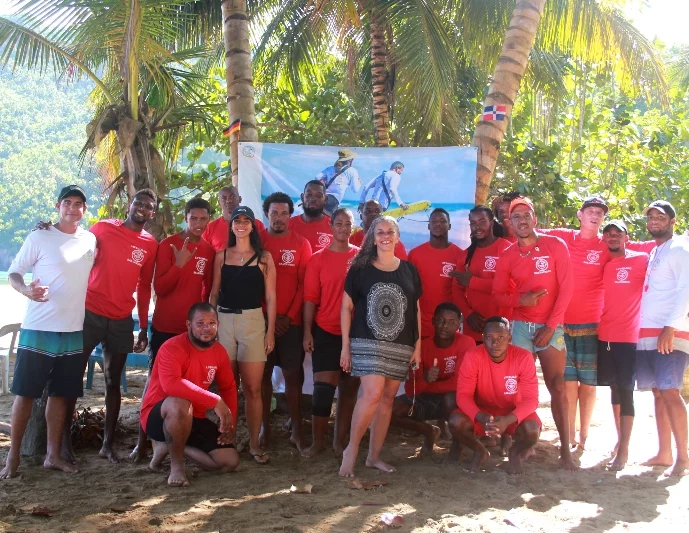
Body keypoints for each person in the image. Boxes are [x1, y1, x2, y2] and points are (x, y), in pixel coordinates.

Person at [1, 185, 96, 479]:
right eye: (67, 202)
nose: (72, 208)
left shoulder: (91, 239)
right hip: (38, 328)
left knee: (61, 396)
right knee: (25, 395)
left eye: (78, 203)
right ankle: (12, 457)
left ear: (84, 209)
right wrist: (27, 290)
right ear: (58, 206)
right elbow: (16, 272)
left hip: (72, 331)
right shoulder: (39, 235)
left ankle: (52, 456)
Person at [64, 189, 159, 464]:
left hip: (120, 320)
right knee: (74, 378)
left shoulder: (150, 244)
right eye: (138, 203)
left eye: (148, 206)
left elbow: (144, 287)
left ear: (152, 213)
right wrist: (49, 228)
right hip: (89, 313)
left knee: (112, 381)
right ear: (129, 205)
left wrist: (142, 327)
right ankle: (64, 444)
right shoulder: (103, 228)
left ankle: (107, 445)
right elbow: (74, 244)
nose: (142, 208)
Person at [492, 196, 576, 470]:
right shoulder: (507, 255)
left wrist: (551, 327)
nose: (522, 221)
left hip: (551, 327)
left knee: (558, 387)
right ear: (510, 223)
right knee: (516, 389)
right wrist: (521, 301)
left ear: (534, 219)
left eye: (526, 215)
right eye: (516, 217)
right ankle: (519, 444)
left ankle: (565, 450)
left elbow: (566, 288)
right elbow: (498, 295)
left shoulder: (555, 245)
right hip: (519, 328)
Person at [131, 198, 215, 461]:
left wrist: (205, 326)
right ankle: (142, 441)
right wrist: (179, 263)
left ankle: (177, 439)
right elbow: (161, 289)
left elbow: (208, 292)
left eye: (203, 219)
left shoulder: (209, 250)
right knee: (155, 384)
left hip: (191, 332)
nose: (198, 224)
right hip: (165, 327)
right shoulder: (167, 245)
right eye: (194, 218)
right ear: (185, 217)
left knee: (187, 383)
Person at [339, 215, 422, 477]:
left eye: (390, 231)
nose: (385, 236)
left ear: (398, 236)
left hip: (401, 344)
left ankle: (374, 457)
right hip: (367, 342)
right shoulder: (360, 269)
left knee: (387, 399)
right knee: (373, 394)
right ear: (372, 238)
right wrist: (345, 347)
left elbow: (416, 309)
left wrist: (417, 347)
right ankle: (351, 449)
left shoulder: (409, 270)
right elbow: (346, 307)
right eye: (379, 232)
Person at [140, 303, 239, 487]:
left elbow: (229, 388)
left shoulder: (219, 352)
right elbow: (171, 385)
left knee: (229, 461)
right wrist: (215, 401)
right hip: (160, 415)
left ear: (218, 325)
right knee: (179, 402)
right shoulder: (172, 347)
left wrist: (228, 423)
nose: (206, 328)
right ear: (188, 325)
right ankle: (177, 468)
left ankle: (170, 447)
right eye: (200, 323)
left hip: (194, 417)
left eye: (211, 323)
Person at [540, 196, 608, 450]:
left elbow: (638, 249)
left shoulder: (607, 245)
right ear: (580, 215)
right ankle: (567, 433)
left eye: (600, 213)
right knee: (567, 382)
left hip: (592, 325)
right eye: (590, 211)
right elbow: (531, 231)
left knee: (588, 385)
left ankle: (584, 435)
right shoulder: (562, 238)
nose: (595, 215)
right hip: (561, 324)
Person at [210, 206, 276, 464]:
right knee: (227, 386)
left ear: (253, 226)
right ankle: (228, 437)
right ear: (231, 225)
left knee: (252, 388)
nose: (241, 225)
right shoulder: (221, 256)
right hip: (224, 321)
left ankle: (254, 443)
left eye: (246, 220)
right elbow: (214, 293)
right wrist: (212, 326)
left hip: (253, 321)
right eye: (237, 220)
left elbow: (270, 297)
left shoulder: (264, 258)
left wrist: (270, 331)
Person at [301, 208, 360, 458]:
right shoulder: (318, 259)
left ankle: (340, 441)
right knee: (323, 390)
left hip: (356, 334)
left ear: (353, 227)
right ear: (331, 226)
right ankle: (318, 442)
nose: (343, 228)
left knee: (348, 391)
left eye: (348, 224)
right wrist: (307, 332)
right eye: (339, 223)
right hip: (326, 330)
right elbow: (310, 299)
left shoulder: (361, 258)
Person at [636, 200, 689, 477]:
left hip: (669, 333)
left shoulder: (680, 248)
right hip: (649, 333)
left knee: (670, 391)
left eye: (661, 216)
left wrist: (671, 327)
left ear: (672, 222)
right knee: (658, 392)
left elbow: (686, 288)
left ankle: (684, 457)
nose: (655, 220)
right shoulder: (657, 251)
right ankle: (664, 453)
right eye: (651, 216)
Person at [449, 317, 540, 475]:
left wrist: (508, 419)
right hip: (483, 411)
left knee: (532, 430)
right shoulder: (472, 356)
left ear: (509, 338)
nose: (495, 343)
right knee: (456, 423)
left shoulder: (523, 357)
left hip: (511, 412)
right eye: (489, 338)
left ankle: (514, 453)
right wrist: (481, 417)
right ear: (483, 338)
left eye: (501, 338)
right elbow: (463, 396)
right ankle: (480, 451)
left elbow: (531, 400)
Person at [259, 192, 313, 450]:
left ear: (290, 215)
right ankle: (263, 429)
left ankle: (296, 428)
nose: (278, 218)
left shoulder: (302, 244)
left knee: (293, 375)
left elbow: (304, 285)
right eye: (273, 213)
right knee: (263, 375)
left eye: (283, 213)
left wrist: (287, 317)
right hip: (260, 322)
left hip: (290, 323)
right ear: (266, 214)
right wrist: (269, 317)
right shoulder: (256, 242)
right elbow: (252, 286)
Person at [391, 303, 476, 454]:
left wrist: (428, 384)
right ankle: (429, 431)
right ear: (433, 321)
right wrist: (425, 378)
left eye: (452, 322)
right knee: (390, 410)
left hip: (453, 400)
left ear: (459, 324)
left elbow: (459, 385)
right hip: (428, 398)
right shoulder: (422, 347)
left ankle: (456, 448)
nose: (445, 326)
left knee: (452, 397)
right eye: (441, 320)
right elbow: (411, 390)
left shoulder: (467, 343)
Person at [597, 220, 648, 470]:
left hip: (629, 337)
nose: (613, 237)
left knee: (627, 392)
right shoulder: (602, 263)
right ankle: (619, 441)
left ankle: (624, 450)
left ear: (627, 237)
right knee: (614, 390)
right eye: (609, 233)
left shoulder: (641, 260)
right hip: (604, 335)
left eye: (618, 233)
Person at [452, 206, 512, 342]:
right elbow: (456, 290)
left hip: (502, 329)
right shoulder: (466, 255)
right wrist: (468, 314)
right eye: (473, 223)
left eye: (482, 221)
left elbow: (511, 287)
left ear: (491, 222)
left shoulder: (507, 249)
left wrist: (473, 282)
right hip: (474, 327)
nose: (477, 227)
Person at [408, 208, 463, 338]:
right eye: (434, 221)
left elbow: (462, 291)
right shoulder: (415, 254)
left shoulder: (460, 255)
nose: (438, 224)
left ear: (449, 226)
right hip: (420, 323)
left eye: (442, 221)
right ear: (428, 226)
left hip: (447, 326)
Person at [203, 185, 265, 252]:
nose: (228, 201)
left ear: (240, 199)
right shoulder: (210, 228)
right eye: (224, 198)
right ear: (219, 203)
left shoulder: (256, 224)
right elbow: (205, 255)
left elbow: (263, 249)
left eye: (233, 197)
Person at [289, 180, 334, 252]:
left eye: (319, 196)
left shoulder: (334, 227)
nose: (313, 199)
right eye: (309, 195)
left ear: (325, 199)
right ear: (302, 197)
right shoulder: (289, 225)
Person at [315, 149, 362, 216]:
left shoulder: (330, 168)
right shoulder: (352, 171)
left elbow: (317, 177)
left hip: (323, 197)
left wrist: (323, 184)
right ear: (350, 160)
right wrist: (359, 183)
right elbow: (355, 189)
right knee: (327, 222)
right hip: (334, 201)